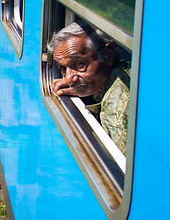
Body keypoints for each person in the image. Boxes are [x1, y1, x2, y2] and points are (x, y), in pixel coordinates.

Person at [47, 21, 130, 154]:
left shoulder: (116, 112)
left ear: (109, 56)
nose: (68, 78)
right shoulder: (116, 73)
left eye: (80, 64)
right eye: (63, 68)